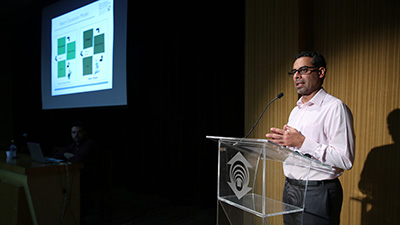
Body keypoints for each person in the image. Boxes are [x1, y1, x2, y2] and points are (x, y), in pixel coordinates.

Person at [266, 51, 355, 225]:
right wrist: (282, 148)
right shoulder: (297, 110)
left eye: (303, 70)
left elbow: (345, 160)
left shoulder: (334, 108)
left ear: (320, 72)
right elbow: (298, 150)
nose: (296, 76)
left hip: (318, 191)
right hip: (291, 188)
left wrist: (302, 142)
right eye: (294, 72)